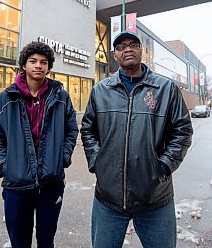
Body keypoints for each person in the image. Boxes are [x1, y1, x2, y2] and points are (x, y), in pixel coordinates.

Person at [80, 31, 193, 248]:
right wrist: (97, 161)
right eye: (121, 47)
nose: (128, 49)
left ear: (142, 51)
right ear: (115, 55)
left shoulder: (166, 89)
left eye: (133, 44)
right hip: (108, 198)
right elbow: (88, 130)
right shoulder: (100, 91)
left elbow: (182, 130)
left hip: (154, 199)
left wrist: (164, 166)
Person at [0, 41, 79, 248]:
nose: (38, 66)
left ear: (48, 67)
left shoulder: (61, 96)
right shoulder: (5, 99)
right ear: (24, 65)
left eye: (43, 62)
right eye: (33, 61)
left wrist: (62, 158)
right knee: (19, 242)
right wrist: (4, 165)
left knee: (46, 240)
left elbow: (71, 129)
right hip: (17, 184)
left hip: (51, 182)